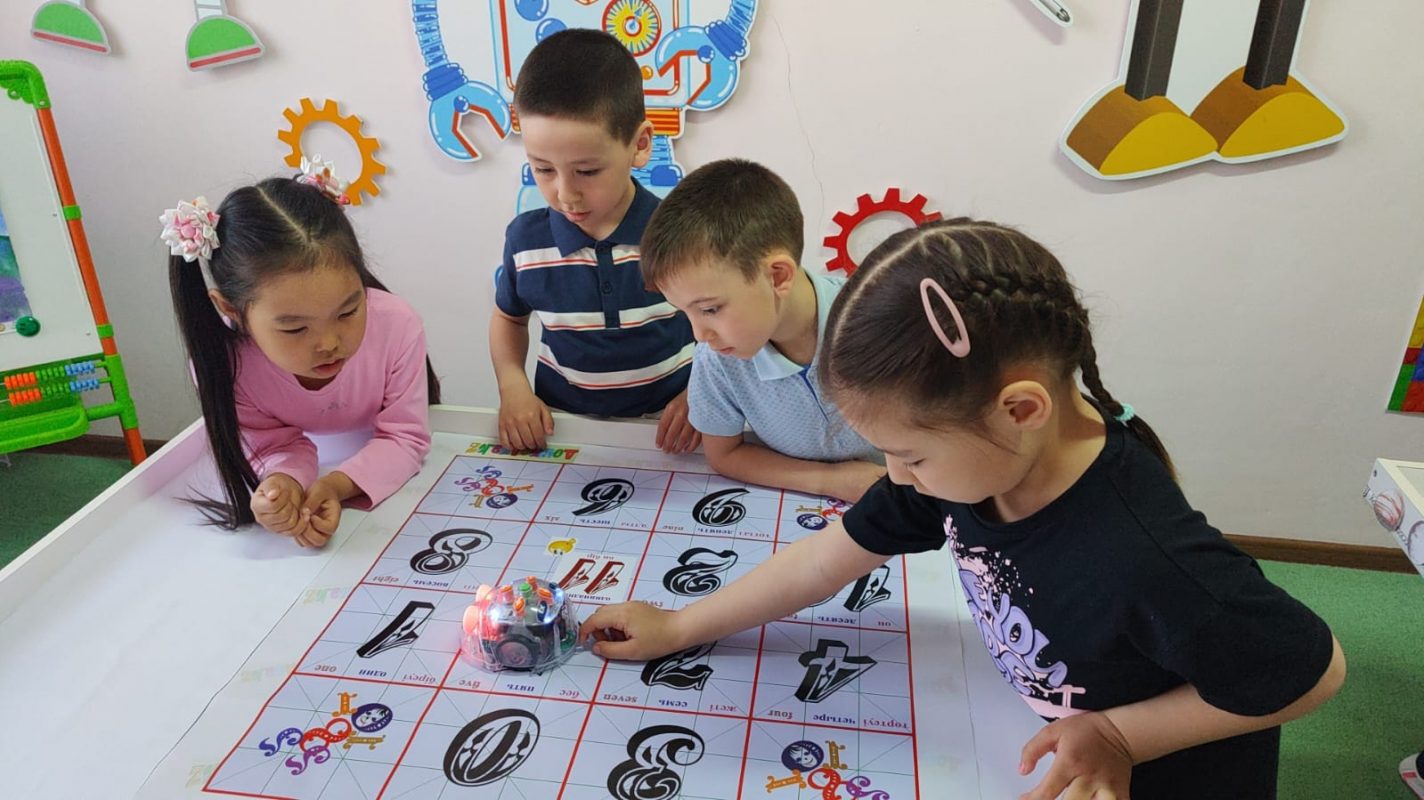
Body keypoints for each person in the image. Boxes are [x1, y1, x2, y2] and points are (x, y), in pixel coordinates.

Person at [581, 218, 1346, 799]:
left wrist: (1120, 734)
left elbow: (1312, 671)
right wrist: (681, 626)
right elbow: (824, 561)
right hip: (1050, 737)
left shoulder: (1142, 553)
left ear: (1020, 411)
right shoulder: (971, 470)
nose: (893, 476)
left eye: (910, 455)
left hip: (1157, 771)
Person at [165, 168, 439, 547]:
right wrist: (282, 484)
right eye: (295, 329)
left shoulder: (396, 325)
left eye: (348, 311)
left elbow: (405, 436)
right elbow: (270, 445)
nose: (328, 343)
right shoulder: (224, 366)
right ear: (231, 309)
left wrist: (335, 485)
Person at [490, 28, 697, 454]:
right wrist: (513, 386)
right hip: (565, 430)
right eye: (543, 169)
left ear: (640, 145)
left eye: (587, 172)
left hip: (669, 431)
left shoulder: (681, 233)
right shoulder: (525, 241)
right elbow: (509, 319)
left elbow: (719, 325)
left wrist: (703, 393)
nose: (566, 193)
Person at [639, 158, 884, 500]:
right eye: (685, 313)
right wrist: (833, 480)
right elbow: (724, 454)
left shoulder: (881, 321)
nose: (699, 335)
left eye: (710, 309)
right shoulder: (717, 360)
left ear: (778, 276)